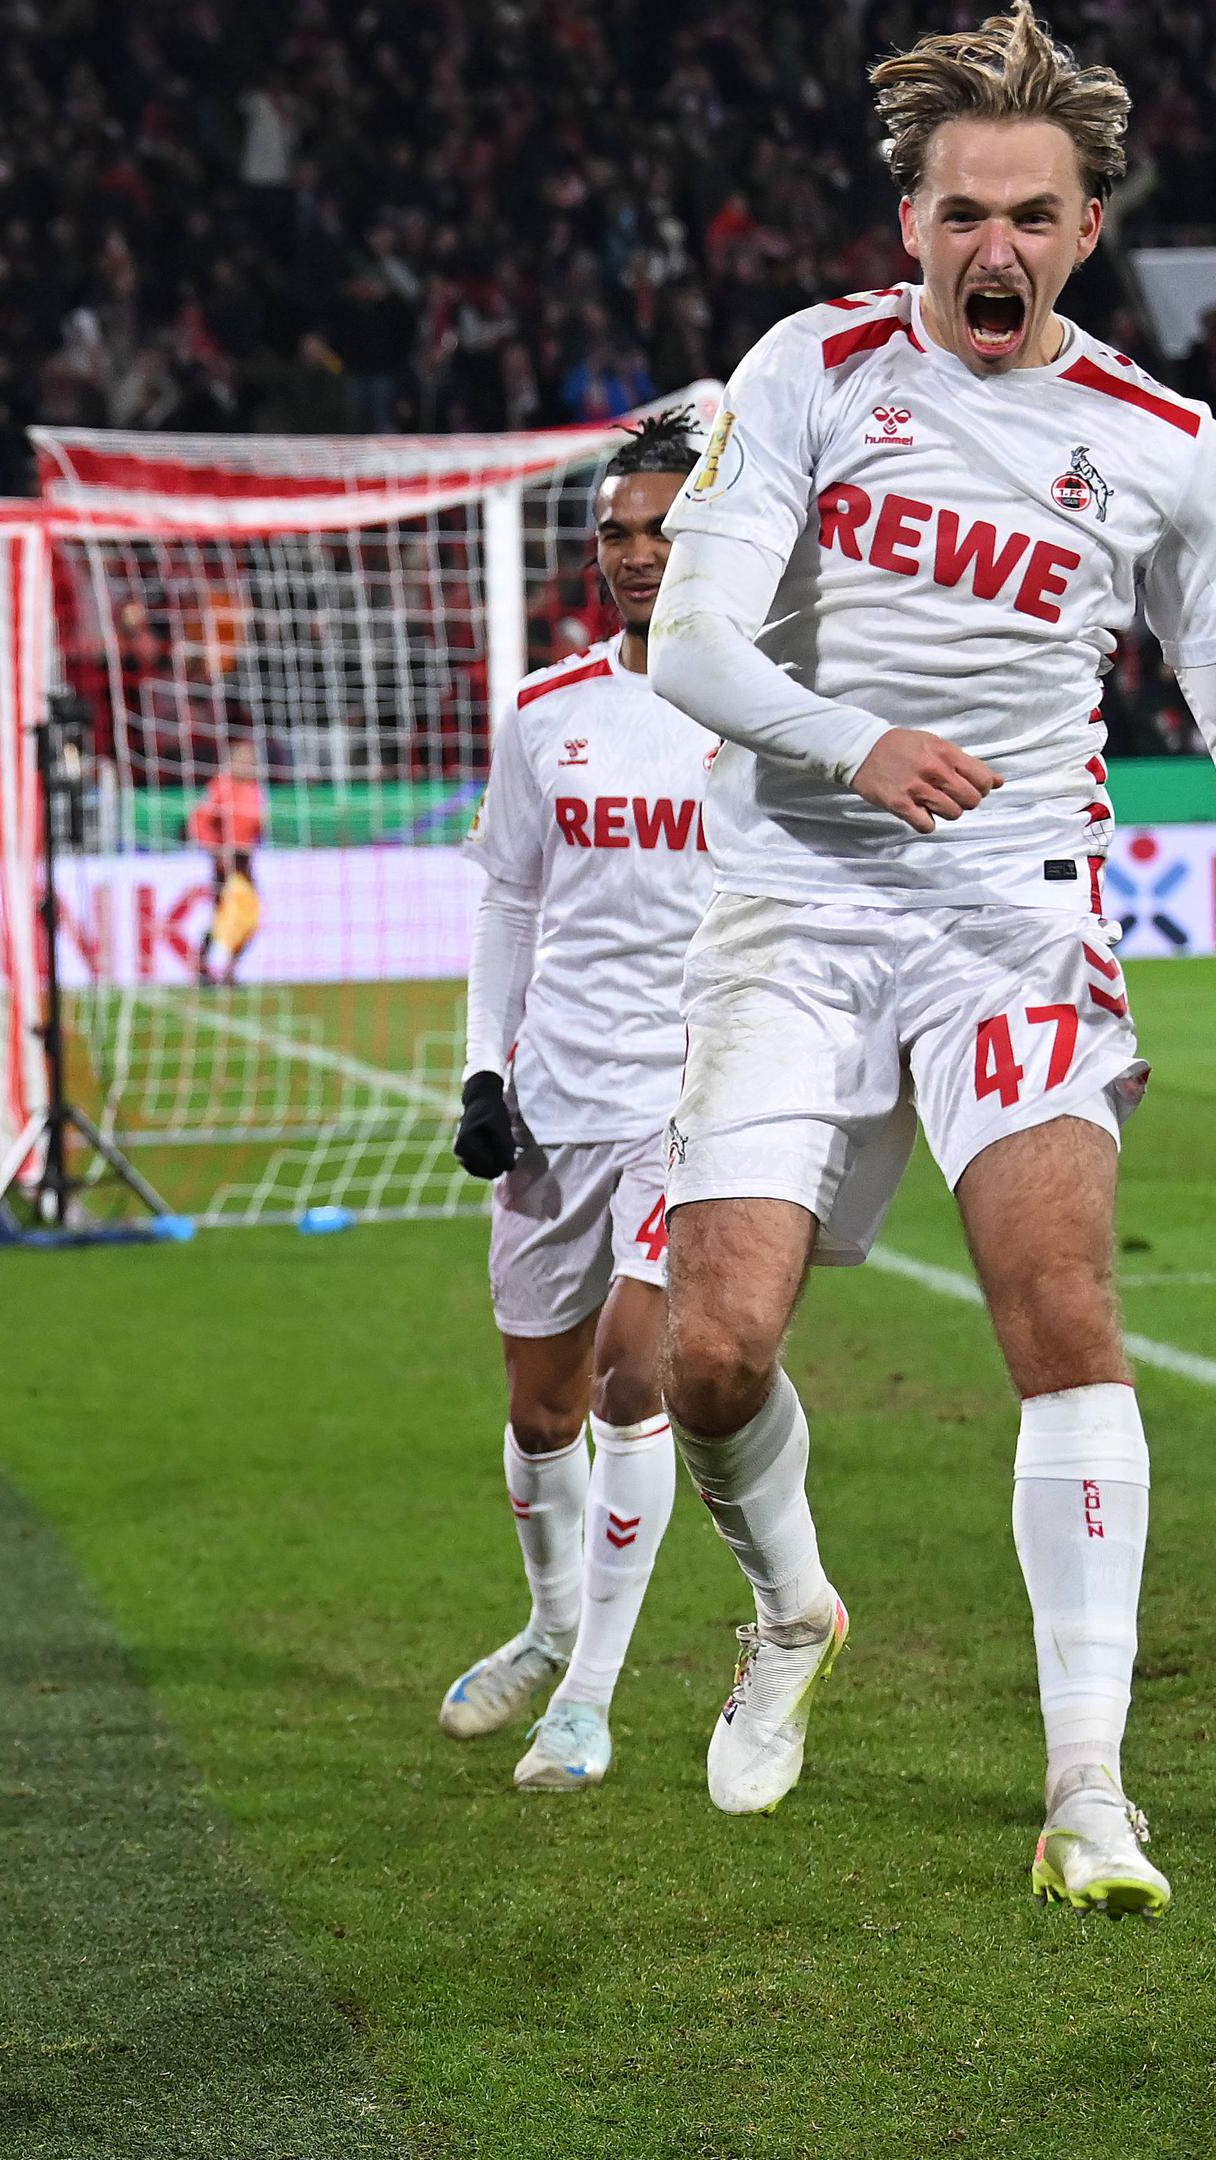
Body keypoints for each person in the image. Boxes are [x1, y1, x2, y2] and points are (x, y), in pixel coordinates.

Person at [642, 1, 1216, 1913]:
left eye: (1033, 214)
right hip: (798, 901)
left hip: (1015, 915)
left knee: (1062, 1315)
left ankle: (1089, 1792)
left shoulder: (1161, 442)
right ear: (907, 222)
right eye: (961, 209)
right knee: (708, 1358)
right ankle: (791, 1603)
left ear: (1085, 229)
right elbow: (693, 650)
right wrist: (853, 742)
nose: (996, 245)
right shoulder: (803, 371)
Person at [434, 411, 713, 1793]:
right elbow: (510, 900)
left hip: (697, 1101)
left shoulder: (765, 705)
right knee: (539, 1410)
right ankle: (550, 1626)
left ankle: (589, 1701)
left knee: (626, 1378)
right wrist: (483, 1068)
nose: (638, 553)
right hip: (556, 1100)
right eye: (617, 531)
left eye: (662, 527)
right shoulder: (549, 714)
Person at [189, 734, 266, 984]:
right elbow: (199, 821)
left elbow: (256, 826)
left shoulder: (254, 789)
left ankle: (230, 969)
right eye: (244, 759)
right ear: (232, 762)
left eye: (251, 760)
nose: (249, 764)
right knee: (225, 915)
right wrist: (217, 849)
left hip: (245, 859)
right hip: (225, 859)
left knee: (249, 917)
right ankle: (202, 968)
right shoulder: (221, 786)